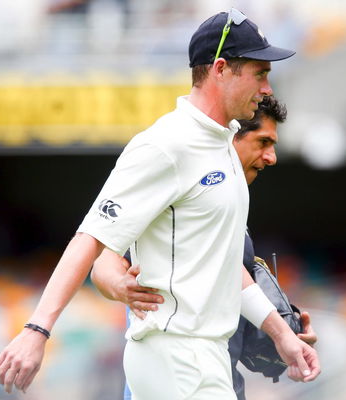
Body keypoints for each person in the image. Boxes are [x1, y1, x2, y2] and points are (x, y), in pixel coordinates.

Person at [0, 9, 320, 398]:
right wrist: (37, 330)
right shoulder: (165, 145)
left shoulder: (224, 145)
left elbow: (226, 264)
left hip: (207, 355)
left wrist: (282, 335)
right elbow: (92, 237)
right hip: (173, 354)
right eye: (259, 72)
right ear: (221, 69)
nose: (268, 87)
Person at [90, 96, 318, 400]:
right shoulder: (182, 189)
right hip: (170, 369)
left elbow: (233, 281)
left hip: (217, 372)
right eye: (263, 142)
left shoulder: (227, 204)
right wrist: (121, 285)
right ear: (230, 137)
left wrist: (284, 336)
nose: (271, 157)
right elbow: (103, 259)